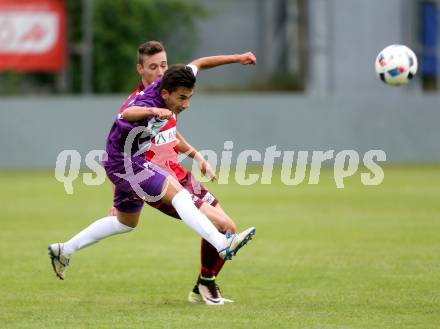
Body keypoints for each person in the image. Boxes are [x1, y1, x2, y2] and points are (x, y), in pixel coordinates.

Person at [48, 58, 256, 306]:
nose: (186, 104)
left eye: (189, 97)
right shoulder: (147, 101)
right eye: (182, 98)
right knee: (179, 195)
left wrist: (238, 58)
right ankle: (221, 242)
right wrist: (153, 111)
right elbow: (127, 112)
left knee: (126, 223)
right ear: (165, 94)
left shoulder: (172, 82)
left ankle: (64, 250)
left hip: (125, 161)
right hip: (125, 162)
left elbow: (199, 63)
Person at [112, 41, 256, 305]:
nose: (159, 71)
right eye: (153, 67)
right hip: (161, 183)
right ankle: (207, 285)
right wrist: (120, 193)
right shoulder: (140, 105)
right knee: (224, 227)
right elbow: (123, 156)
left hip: (180, 175)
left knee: (227, 226)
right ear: (140, 70)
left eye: (163, 65)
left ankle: (203, 284)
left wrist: (238, 57)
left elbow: (199, 64)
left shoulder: (173, 88)